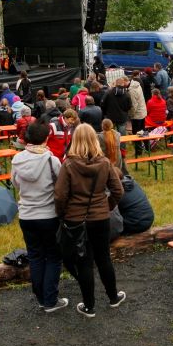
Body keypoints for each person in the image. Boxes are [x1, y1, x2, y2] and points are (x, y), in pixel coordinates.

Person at [54, 124, 125, 318]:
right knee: (104, 258)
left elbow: (60, 195)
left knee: (84, 262)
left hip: (76, 219)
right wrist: (107, 206)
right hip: (100, 217)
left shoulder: (69, 165)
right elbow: (118, 191)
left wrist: (63, 214)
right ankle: (113, 297)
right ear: (95, 139)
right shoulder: (105, 163)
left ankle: (89, 306)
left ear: (75, 140)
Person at [12, 122, 67, 312]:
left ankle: (42, 298)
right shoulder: (52, 160)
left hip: (27, 215)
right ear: (46, 138)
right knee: (53, 256)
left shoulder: (17, 160)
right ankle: (50, 299)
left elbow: (16, 184)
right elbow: (60, 186)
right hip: (48, 214)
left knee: (35, 256)